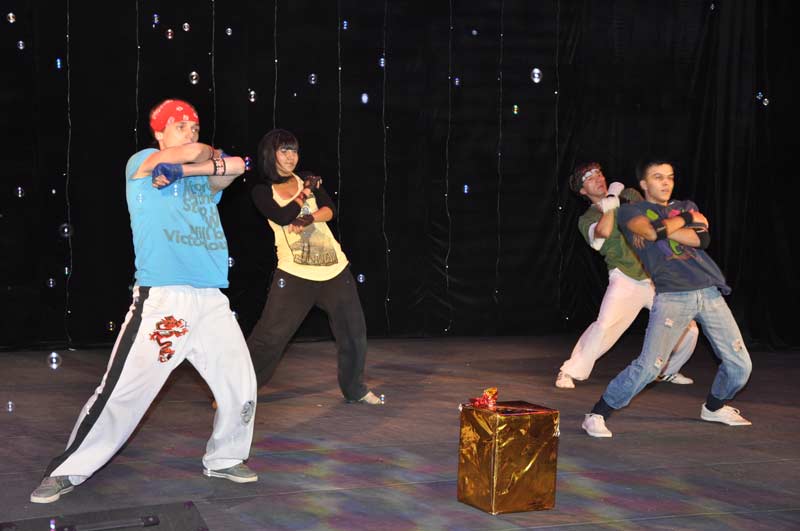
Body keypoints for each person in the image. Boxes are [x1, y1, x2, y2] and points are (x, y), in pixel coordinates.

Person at [30, 99, 258, 504]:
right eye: (180, 125)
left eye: (195, 125)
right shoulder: (142, 162)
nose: (190, 131)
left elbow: (238, 166)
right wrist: (191, 160)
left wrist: (187, 171)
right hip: (164, 300)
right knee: (124, 392)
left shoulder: (198, 181)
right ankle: (68, 469)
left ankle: (225, 457)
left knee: (241, 385)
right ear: (159, 133)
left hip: (211, 299)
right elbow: (200, 154)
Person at [582, 158, 753, 438]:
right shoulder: (630, 212)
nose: (666, 182)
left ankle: (714, 406)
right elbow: (650, 232)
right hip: (673, 295)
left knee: (740, 365)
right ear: (643, 184)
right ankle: (598, 413)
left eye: (670, 177)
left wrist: (670, 226)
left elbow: (701, 240)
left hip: (709, 291)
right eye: (658, 177)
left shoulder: (685, 204)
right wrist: (687, 221)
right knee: (650, 367)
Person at [246, 129, 381, 405]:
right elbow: (283, 216)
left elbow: (330, 210)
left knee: (354, 333)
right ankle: (239, 390)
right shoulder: (262, 190)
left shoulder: (306, 178)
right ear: (270, 154)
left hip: (334, 269)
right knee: (270, 337)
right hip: (295, 273)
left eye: (294, 150)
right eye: (284, 151)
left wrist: (309, 218)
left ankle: (355, 389)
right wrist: (306, 191)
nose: (291, 156)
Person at [557, 162, 698, 389]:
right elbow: (603, 232)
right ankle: (569, 371)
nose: (598, 178)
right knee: (605, 326)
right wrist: (611, 200)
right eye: (590, 178)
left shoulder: (629, 194)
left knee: (689, 328)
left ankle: (667, 371)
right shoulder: (587, 218)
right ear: (582, 190)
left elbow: (650, 218)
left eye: (599, 173)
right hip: (625, 278)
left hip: (654, 277)